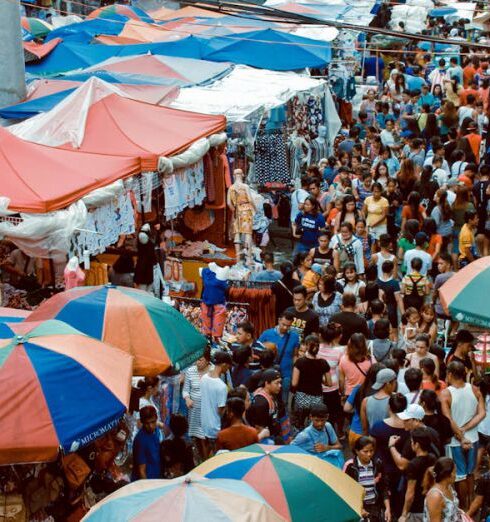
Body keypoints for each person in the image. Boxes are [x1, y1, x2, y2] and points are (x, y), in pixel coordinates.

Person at [440, 360, 486, 510]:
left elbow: (448, 419)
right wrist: (466, 431)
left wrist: (460, 435)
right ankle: (472, 505)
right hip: (473, 439)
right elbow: (482, 413)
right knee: (471, 473)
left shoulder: (446, 393)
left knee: (460, 476)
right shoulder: (474, 389)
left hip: (455, 442)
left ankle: (464, 508)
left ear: (450, 374)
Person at [370, 393, 409, 520]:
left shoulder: (378, 427)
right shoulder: (408, 428)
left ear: (389, 407)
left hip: (383, 470)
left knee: (385, 503)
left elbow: (372, 447)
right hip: (403, 471)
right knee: (400, 502)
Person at [344, 436, 391, 522]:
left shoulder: (378, 464)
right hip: (359, 507)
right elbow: (346, 490)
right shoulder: (350, 466)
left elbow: (384, 487)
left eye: (371, 451)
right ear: (357, 451)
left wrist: (388, 509)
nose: (369, 454)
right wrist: (359, 508)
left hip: (375, 507)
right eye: (365, 451)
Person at [258, 311, 300, 403]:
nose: (285, 328)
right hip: (269, 374)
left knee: (284, 400)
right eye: (283, 324)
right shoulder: (266, 334)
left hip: (286, 374)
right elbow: (258, 351)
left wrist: (295, 372)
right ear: (279, 320)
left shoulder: (294, 336)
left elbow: (295, 355)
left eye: (288, 326)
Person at [291, 334, 331, 428]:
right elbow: (329, 383)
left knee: (298, 423)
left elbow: (294, 383)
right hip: (317, 399)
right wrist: (320, 380)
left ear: (307, 345)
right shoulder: (323, 363)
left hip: (301, 397)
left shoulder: (300, 362)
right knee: (313, 425)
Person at [399, 427, 437, 522]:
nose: (411, 444)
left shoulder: (413, 465)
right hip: (430, 504)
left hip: (416, 509)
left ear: (417, 445)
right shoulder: (433, 458)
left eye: (412, 442)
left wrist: (404, 514)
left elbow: (410, 493)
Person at [182, 348, 213, 461]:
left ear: (207, 360)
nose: (197, 362)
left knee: (205, 438)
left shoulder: (213, 371)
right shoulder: (190, 371)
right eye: (196, 360)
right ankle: (201, 460)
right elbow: (185, 390)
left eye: (200, 360)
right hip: (194, 410)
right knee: (197, 438)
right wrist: (187, 398)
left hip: (208, 411)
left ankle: (206, 461)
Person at [200, 351, 232, 456]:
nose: (228, 369)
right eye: (228, 366)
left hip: (204, 424)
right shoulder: (221, 386)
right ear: (224, 364)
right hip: (216, 427)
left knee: (206, 454)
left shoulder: (204, 378)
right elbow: (220, 410)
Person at [291, 403, 343, 467]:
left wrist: (327, 447)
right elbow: (290, 449)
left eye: (322, 420)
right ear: (310, 417)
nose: (320, 424)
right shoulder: (304, 435)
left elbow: (339, 446)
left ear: (327, 417)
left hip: (325, 464)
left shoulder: (328, 426)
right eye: (316, 420)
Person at [318, 322, 344, 434]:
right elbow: (342, 372)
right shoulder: (339, 352)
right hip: (333, 387)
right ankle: (333, 433)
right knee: (333, 413)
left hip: (318, 385)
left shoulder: (316, 349)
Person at [246, 369, 282, 442]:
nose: (280, 386)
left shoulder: (272, 394)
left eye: (280, 382)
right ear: (267, 383)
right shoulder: (261, 403)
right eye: (277, 383)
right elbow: (258, 428)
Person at [361, 368, 397, 434]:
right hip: (391, 440)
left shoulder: (365, 401)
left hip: (373, 439)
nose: (395, 385)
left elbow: (364, 428)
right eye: (394, 382)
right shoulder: (395, 399)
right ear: (388, 384)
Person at [423, 457, 460, 522]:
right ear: (449, 475)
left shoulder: (449, 486)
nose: (456, 475)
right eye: (455, 472)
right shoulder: (435, 496)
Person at [338, 332, 372, 398]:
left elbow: (341, 380)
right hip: (366, 393)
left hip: (350, 394)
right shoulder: (371, 359)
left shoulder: (344, 360)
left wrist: (342, 394)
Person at [132, 406, 162, 480]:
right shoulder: (141, 440)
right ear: (142, 422)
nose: (151, 426)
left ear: (156, 419)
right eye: (147, 423)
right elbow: (141, 471)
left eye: (153, 422)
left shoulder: (156, 432)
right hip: (146, 483)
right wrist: (147, 489)